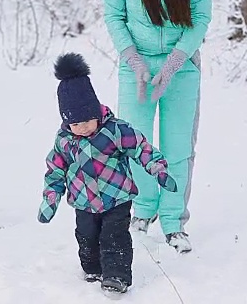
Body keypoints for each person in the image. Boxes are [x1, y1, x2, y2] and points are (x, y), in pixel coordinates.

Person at [102, 0, 213, 254]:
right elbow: (113, 15)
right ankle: (143, 210)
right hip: (136, 64)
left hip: (182, 64)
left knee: (177, 147)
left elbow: (202, 17)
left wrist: (175, 62)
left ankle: (173, 221)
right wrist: (133, 60)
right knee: (134, 142)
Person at [37, 53, 177, 294]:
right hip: (83, 202)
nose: (81, 128)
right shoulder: (64, 141)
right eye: (75, 124)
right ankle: (92, 269)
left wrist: (158, 169)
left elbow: (141, 148)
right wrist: (51, 199)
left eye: (86, 121)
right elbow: (55, 171)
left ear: (96, 110)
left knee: (115, 237)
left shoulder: (115, 130)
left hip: (117, 199)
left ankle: (117, 276)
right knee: (86, 237)